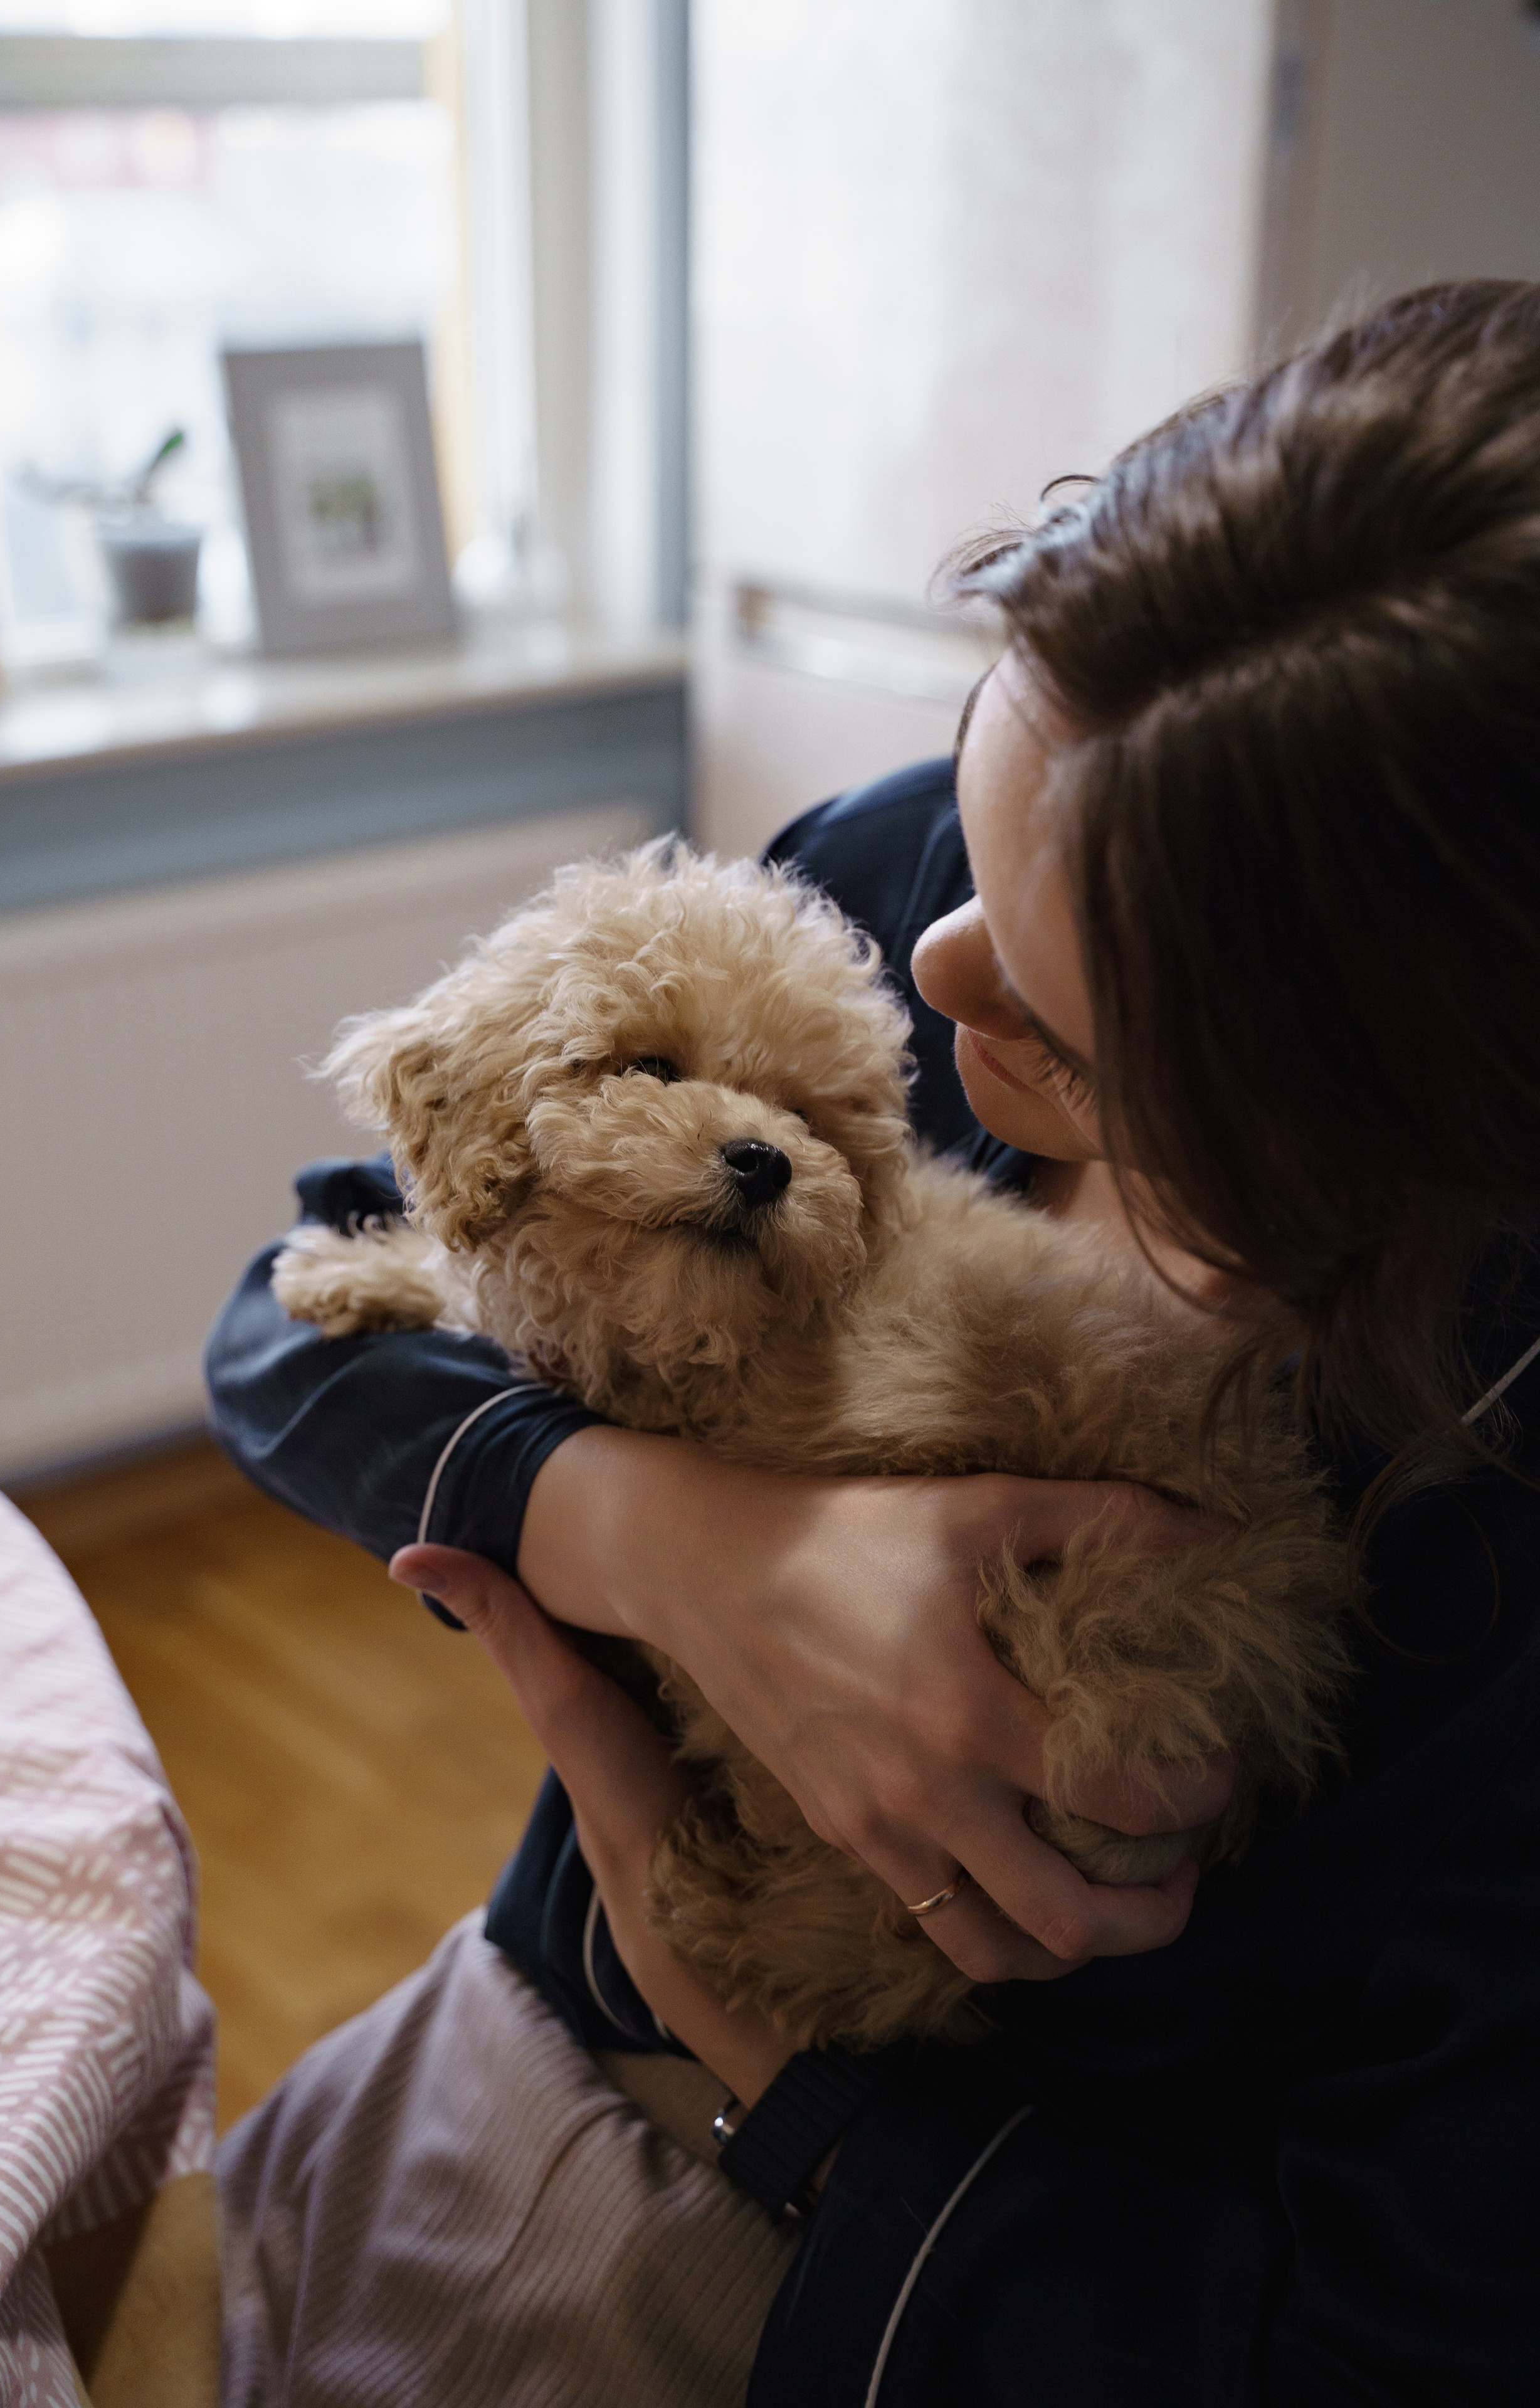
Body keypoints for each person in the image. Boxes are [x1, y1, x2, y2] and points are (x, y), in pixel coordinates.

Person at [208, 282, 1540, 2405]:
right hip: (495, 2020)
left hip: (859, 2280)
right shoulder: (918, 866)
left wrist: (793, 2097)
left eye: (1067, 1031)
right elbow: (289, 1319)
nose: (928, 965)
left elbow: (1370, 2353)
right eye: (983, 802)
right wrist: (668, 1542)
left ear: (1366, 1147)